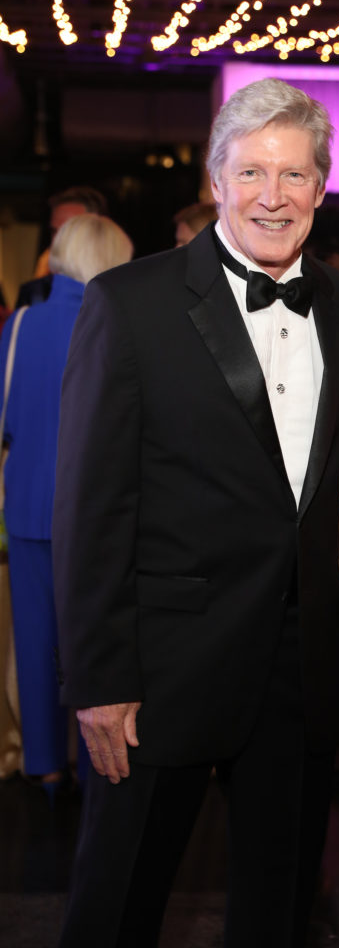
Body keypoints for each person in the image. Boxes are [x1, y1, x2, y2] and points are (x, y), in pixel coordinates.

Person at [53, 78, 339, 948]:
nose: (274, 195)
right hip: (162, 668)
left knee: (277, 909)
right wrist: (101, 677)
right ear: (216, 179)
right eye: (253, 172)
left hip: (299, 671)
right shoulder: (131, 302)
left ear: (321, 186)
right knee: (118, 906)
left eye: (295, 174)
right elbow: (89, 504)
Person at [0, 214, 132, 798]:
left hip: (29, 505)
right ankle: (94, 760)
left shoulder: (20, 324)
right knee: (95, 640)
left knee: (35, 642)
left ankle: (45, 766)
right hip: (101, 512)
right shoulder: (121, 319)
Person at [17, 186, 109, 308]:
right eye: (54, 232)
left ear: (97, 231)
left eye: (68, 231)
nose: (57, 241)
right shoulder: (35, 293)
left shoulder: (118, 288)